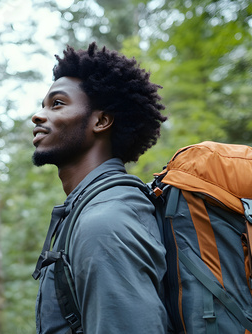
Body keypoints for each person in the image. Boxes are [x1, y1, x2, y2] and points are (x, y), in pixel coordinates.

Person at [31, 42, 168, 333]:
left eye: (57, 104)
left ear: (101, 121)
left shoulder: (104, 222)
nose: (38, 115)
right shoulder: (94, 209)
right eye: (43, 105)